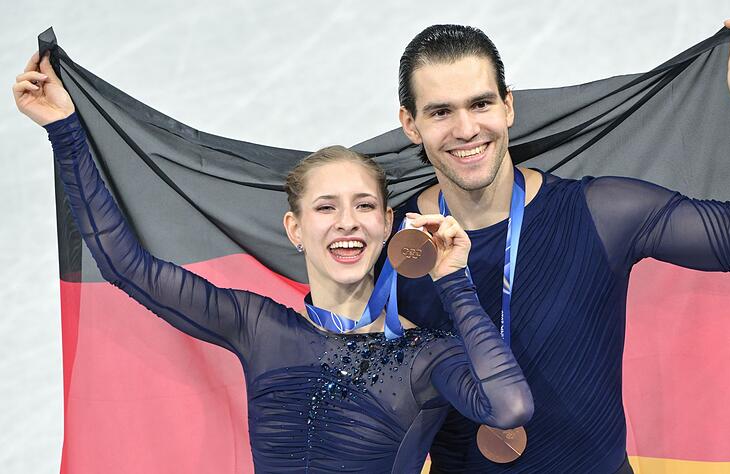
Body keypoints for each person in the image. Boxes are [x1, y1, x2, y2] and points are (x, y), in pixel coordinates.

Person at [13, 51, 534, 474]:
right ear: (295, 229)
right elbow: (125, 265)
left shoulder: (425, 355)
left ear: (386, 224)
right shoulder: (258, 326)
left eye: (364, 206)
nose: (347, 222)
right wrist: (65, 130)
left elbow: (509, 407)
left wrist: (453, 279)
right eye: (325, 208)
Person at [387, 18, 730, 473]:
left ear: (508, 106)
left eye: (481, 104)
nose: (466, 128)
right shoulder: (390, 246)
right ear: (410, 124)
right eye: (440, 112)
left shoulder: (601, 213)